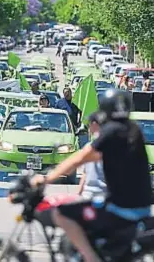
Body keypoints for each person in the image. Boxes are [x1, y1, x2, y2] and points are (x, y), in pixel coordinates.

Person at [30, 89, 152, 262]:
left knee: (61, 213)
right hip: (141, 208)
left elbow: (79, 158)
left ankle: (91, 258)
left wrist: (46, 178)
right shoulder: (133, 130)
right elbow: (94, 157)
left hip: (119, 209)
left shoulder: (111, 131)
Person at [77, 113, 107, 199]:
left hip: (102, 195)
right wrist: (78, 194)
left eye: (89, 124)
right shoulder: (88, 146)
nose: (88, 128)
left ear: (95, 124)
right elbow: (85, 173)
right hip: (88, 195)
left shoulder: (106, 147)